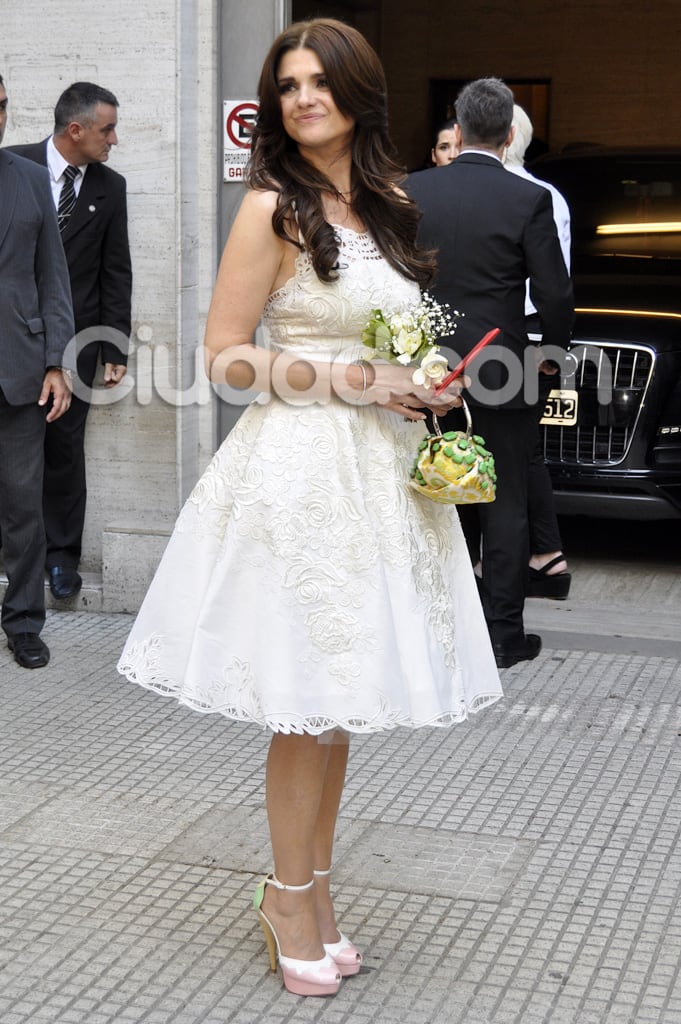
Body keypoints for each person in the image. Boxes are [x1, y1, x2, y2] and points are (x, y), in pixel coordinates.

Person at [118, 18, 502, 998]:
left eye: (318, 81)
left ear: (357, 94)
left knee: (336, 709)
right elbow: (224, 356)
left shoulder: (391, 204)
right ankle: (287, 898)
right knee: (303, 704)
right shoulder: (272, 210)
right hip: (300, 475)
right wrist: (354, 375)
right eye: (286, 83)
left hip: (378, 475)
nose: (301, 98)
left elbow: (394, 337)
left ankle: (315, 893)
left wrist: (421, 380)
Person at [407, 78, 574, 669]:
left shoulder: (412, 189)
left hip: (425, 368)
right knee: (504, 504)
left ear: (457, 124)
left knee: (431, 496)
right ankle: (503, 637)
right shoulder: (526, 198)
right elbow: (554, 292)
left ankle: (434, 628)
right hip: (501, 366)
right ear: (508, 135)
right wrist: (552, 353)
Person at [9, 82, 132, 601]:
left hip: (75, 343)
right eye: (107, 130)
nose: (114, 140)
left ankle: (62, 560)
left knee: (63, 451)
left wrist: (114, 348)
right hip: (10, 340)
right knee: (10, 453)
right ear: (75, 130)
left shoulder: (110, 186)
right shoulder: (11, 166)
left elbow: (115, 270)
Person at [0, 74, 75, 668]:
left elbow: (54, 277)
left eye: (0, 106)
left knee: (23, 503)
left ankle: (24, 620)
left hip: (19, 372)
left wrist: (57, 361)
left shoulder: (29, 179)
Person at [503, 104, 572, 599]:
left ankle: (543, 556)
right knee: (526, 451)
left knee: (517, 452)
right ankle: (546, 556)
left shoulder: (524, 195)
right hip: (531, 337)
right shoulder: (549, 194)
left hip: (516, 336)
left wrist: (549, 346)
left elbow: (551, 284)